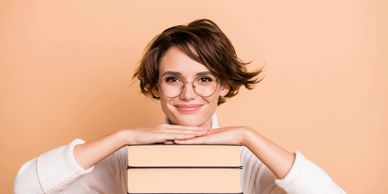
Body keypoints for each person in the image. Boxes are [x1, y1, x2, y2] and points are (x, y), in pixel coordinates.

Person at [14, 19, 346, 194]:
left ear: (224, 85)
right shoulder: (124, 158)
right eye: (173, 79)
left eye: (204, 79)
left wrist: (247, 136)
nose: (188, 94)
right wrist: (122, 136)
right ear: (156, 86)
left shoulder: (248, 159)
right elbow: (25, 188)